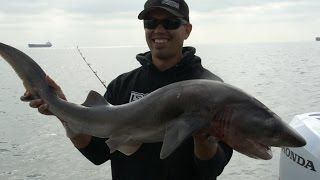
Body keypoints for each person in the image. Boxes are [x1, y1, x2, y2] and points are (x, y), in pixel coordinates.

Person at [23, 0, 233, 179]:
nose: (159, 30)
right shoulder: (122, 85)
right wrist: (60, 108)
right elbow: (98, 153)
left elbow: (213, 168)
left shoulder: (213, 91)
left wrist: (203, 138)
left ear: (187, 30)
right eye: (151, 22)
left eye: (169, 22)